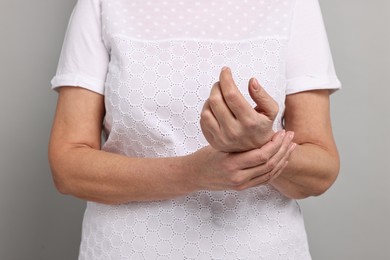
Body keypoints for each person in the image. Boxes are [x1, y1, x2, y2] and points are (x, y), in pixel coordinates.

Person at [49, 0, 341, 259]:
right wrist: (192, 173)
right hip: (125, 249)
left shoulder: (293, 4)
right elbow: (68, 166)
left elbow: (320, 171)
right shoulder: (102, 4)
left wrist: (261, 145)